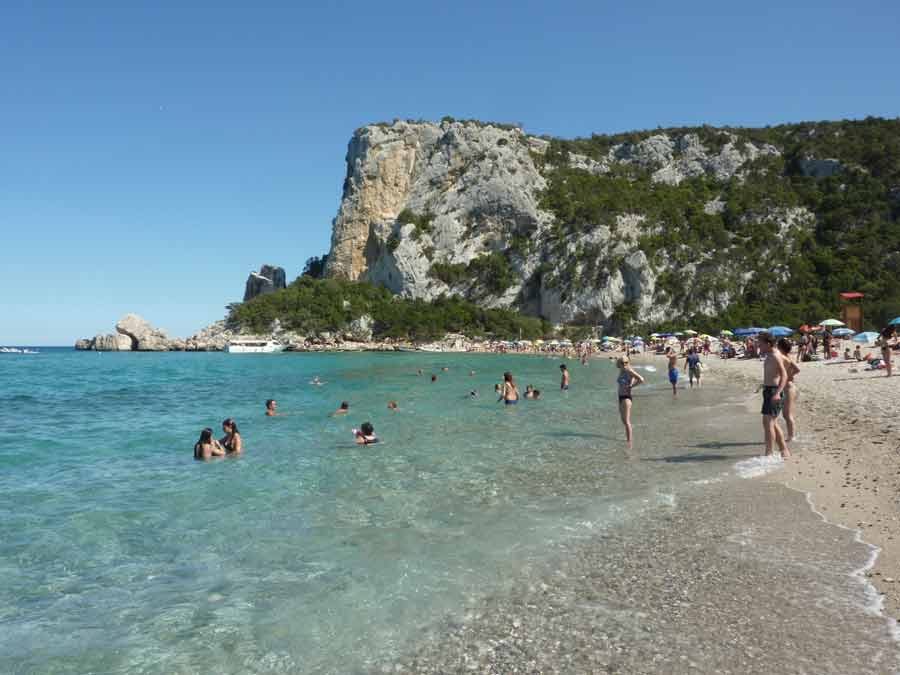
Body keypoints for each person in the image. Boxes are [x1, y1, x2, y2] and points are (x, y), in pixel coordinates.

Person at [758, 333, 790, 458]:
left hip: (774, 391)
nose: (758, 346)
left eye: (760, 344)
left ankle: (769, 454)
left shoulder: (776, 355)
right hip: (768, 390)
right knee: (771, 423)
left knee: (768, 423)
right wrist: (765, 384)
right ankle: (784, 450)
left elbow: (784, 375)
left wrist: (777, 393)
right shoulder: (770, 355)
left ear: (768, 344)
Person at [616, 356, 645, 448]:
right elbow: (631, 379)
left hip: (626, 398)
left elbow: (641, 379)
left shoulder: (629, 370)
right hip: (620, 397)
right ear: (619, 363)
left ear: (628, 363)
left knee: (627, 421)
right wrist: (631, 382)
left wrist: (632, 386)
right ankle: (628, 438)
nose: (624, 364)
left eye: (626, 362)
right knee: (623, 420)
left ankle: (629, 442)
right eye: (622, 363)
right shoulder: (621, 370)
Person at [777, 338, 800, 442]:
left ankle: (791, 436)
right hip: (787, 387)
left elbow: (797, 369)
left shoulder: (786, 357)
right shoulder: (785, 357)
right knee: (785, 413)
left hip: (789, 388)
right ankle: (790, 435)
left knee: (787, 414)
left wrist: (788, 376)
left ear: (780, 347)